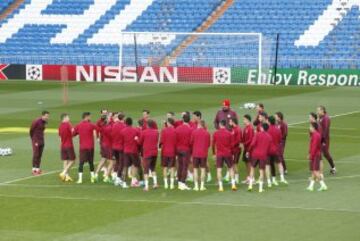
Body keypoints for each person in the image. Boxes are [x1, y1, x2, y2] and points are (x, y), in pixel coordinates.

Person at [73, 112, 97, 184]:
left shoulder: (78, 125)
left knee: (81, 163)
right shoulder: (91, 125)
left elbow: (73, 134)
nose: (90, 117)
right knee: (91, 162)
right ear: (86, 117)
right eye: (89, 116)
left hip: (83, 147)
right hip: (90, 147)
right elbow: (99, 129)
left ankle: (80, 179)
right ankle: (92, 178)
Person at [212, 120, 236, 192]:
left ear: (220, 124)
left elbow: (213, 144)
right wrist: (232, 153)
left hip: (219, 154)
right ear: (225, 125)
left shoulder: (216, 133)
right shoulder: (229, 133)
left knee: (219, 170)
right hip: (228, 153)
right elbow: (232, 145)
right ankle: (233, 185)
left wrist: (213, 153)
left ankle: (221, 187)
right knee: (231, 168)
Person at [247, 123, 272, 193]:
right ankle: (260, 189)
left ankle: (250, 185)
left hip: (255, 154)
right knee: (261, 171)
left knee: (252, 169)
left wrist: (248, 151)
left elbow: (252, 144)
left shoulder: (257, 134)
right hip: (263, 155)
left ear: (262, 128)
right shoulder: (269, 137)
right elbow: (269, 149)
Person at [137, 119, 159, 191]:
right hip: (154, 152)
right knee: (152, 168)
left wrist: (136, 139)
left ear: (147, 125)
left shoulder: (144, 132)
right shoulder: (156, 132)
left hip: (147, 153)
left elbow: (140, 142)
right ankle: (155, 183)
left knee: (146, 170)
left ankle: (146, 186)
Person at [190, 120, 210, 191]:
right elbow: (208, 145)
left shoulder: (194, 132)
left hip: (195, 153)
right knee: (203, 170)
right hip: (203, 154)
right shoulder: (207, 133)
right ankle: (202, 186)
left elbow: (191, 142)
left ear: (199, 125)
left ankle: (196, 186)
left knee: (195, 170)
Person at [121, 117, 141, 188]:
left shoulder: (122, 131)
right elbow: (139, 141)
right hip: (134, 151)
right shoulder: (135, 130)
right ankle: (133, 181)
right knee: (135, 165)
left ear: (125, 123)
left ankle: (124, 183)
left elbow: (122, 141)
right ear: (132, 123)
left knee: (125, 167)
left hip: (126, 151)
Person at [307, 122, 328, 191]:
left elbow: (314, 147)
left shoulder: (315, 135)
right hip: (316, 154)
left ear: (313, 127)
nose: (309, 128)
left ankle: (323, 185)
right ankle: (311, 186)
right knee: (313, 171)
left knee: (315, 171)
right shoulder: (316, 134)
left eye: (310, 127)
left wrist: (311, 155)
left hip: (315, 155)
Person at [267, 116, 287, 186]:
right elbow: (280, 140)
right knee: (279, 163)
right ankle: (282, 178)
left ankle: (270, 180)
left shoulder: (267, 129)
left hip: (269, 150)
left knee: (269, 165)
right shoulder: (278, 129)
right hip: (276, 150)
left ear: (269, 121)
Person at [175, 113, 193, 190]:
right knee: (185, 167)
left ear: (183, 119)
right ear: (189, 120)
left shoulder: (178, 128)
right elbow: (191, 141)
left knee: (180, 166)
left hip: (178, 149)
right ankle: (182, 183)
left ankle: (179, 182)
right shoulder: (190, 129)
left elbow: (175, 139)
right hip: (186, 150)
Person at [317, 106, 336, 174]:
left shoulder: (326, 118)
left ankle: (333, 167)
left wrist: (323, 140)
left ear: (322, 110)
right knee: (318, 153)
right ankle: (316, 169)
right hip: (319, 138)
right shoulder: (320, 117)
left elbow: (325, 130)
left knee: (325, 153)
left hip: (324, 139)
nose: (317, 112)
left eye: (318, 110)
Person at [29, 110, 49, 175]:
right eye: (46, 116)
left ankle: (37, 169)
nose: (47, 117)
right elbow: (31, 130)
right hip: (36, 140)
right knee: (36, 154)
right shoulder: (36, 121)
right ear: (42, 115)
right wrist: (33, 138)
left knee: (40, 155)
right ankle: (33, 170)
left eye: (48, 116)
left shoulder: (45, 122)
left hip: (41, 140)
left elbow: (42, 130)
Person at [94, 114, 113, 183]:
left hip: (103, 145)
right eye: (108, 118)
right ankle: (107, 176)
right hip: (108, 146)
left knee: (103, 160)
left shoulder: (102, 127)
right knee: (111, 162)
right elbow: (112, 137)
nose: (109, 119)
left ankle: (95, 175)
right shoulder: (109, 127)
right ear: (106, 120)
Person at [160, 118, 177, 189]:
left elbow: (161, 141)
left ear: (169, 123)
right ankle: (172, 184)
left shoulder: (164, 130)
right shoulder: (175, 131)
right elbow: (176, 142)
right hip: (172, 151)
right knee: (172, 168)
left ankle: (166, 184)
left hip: (165, 152)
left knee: (165, 168)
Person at [58, 113, 75, 182]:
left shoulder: (60, 126)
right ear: (64, 118)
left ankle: (66, 176)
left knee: (65, 160)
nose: (69, 118)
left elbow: (60, 136)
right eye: (68, 117)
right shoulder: (68, 124)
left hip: (62, 145)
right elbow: (73, 131)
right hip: (69, 145)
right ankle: (64, 172)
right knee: (73, 160)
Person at [111, 112, 126, 186]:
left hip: (114, 146)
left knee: (117, 161)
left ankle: (114, 175)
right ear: (123, 118)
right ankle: (118, 178)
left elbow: (112, 135)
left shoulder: (114, 125)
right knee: (121, 162)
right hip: (121, 147)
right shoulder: (124, 126)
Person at [242, 114, 254, 184]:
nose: (243, 121)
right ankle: (248, 177)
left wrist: (244, 143)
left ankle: (252, 178)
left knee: (249, 163)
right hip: (245, 148)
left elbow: (251, 139)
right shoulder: (245, 128)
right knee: (246, 163)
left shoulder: (250, 128)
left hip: (249, 149)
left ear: (247, 120)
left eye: (244, 119)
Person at [229, 117, 242, 184]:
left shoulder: (237, 129)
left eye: (230, 121)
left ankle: (236, 179)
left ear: (233, 122)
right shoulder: (233, 129)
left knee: (234, 164)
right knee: (233, 164)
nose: (229, 122)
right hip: (233, 149)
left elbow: (239, 140)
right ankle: (234, 178)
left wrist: (232, 145)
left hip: (236, 150)